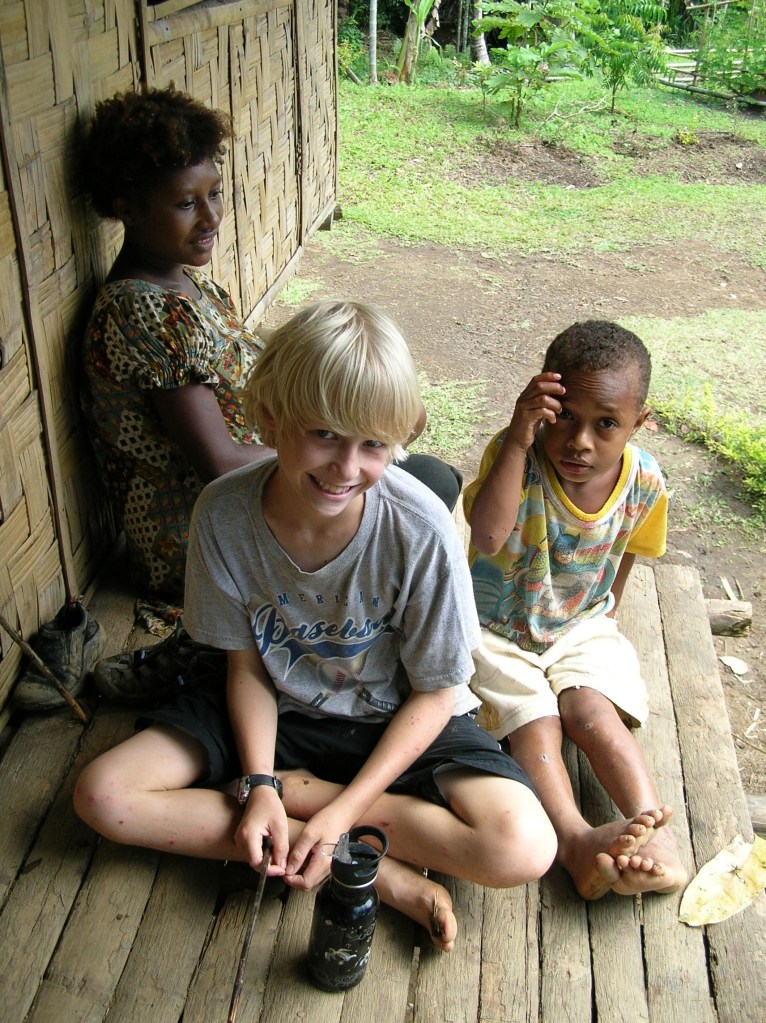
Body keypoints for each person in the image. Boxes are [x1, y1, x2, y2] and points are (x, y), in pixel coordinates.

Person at [73, 300, 556, 951]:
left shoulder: (421, 528)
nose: (346, 467)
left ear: (397, 438)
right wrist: (262, 777)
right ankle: (375, 868)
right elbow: (245, 667)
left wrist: (334, 805)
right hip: (275, 710)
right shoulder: (224, 513)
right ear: (270, 417)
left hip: (392, 718)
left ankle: (315, 816)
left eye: (373, 444)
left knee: (523, 846)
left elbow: (438, 692)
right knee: (102, 795)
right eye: (323, 433)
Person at [77, 87, 461, 702]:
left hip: (277, 485)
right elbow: (219, 464)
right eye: (184, 203)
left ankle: (394, 633)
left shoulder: (187, 290)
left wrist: (350, 422)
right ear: (125, 205)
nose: (210, 218)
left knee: (417, 485)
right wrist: (342, 452)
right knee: (423, 488)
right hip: (200, 529)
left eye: (215, 194)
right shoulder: (143, 314)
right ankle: (204, 654)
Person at [464, 320, 688, 900]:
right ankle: (574, 841)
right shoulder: (518, 456)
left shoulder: (644, 480)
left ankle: (654, 832)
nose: (579, 440)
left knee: (591, 713)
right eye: (565, 415)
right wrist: (516, 439)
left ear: (638, 424)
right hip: (497, 629)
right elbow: (487, 537)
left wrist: (608, 609)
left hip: (579, 622)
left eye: (606, 423)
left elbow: (632, 549)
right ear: (542, 402)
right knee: (535, 722)